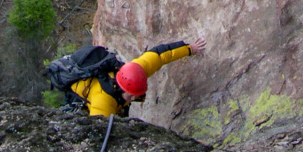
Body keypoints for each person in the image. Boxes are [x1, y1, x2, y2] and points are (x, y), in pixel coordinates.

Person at [70, 36, 207, 117]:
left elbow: (161, 55)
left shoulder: (136, 70)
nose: (134, 98)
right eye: (131, 95)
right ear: (121, 88)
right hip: (78, 97)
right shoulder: (103, 101)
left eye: (137, 94)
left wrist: (190, 48)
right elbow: (99, 130)